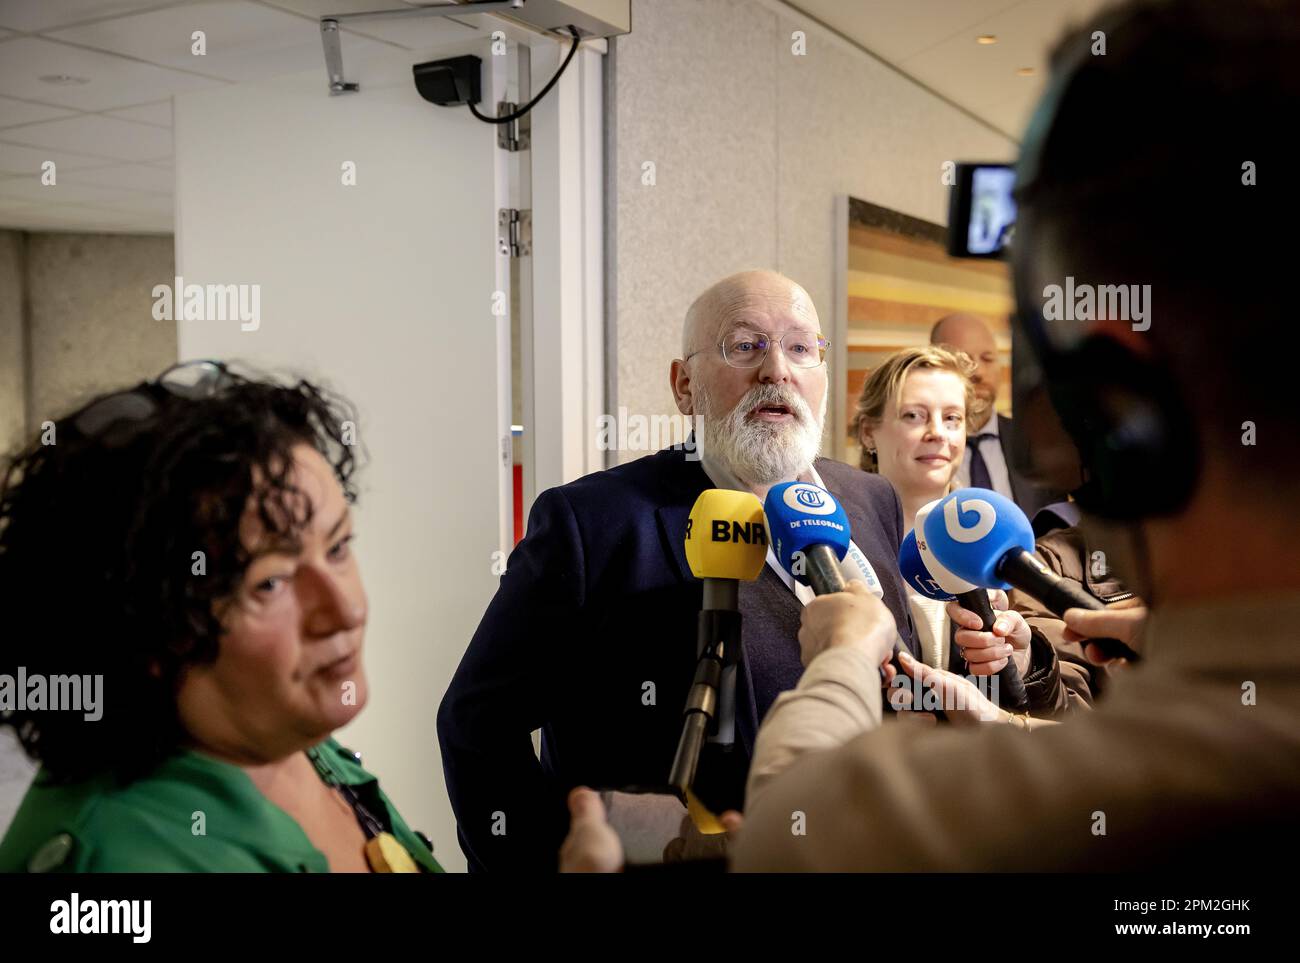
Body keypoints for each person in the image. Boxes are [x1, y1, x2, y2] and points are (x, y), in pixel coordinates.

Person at [438, 269, 917, 871]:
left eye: (800, 348)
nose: (777, 371)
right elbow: (477, 725)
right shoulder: (593, 524)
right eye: (745, 346)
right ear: (684, 385)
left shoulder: (871, 498)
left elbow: (906, 688)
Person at [0, 361, 441, 873]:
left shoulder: (295, 747)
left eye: (339, 547)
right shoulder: (121, 864)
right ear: (145, 628)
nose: (347, 609)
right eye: (270, 583)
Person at [854, 345, 1076, 716]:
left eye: (952, 418)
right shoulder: (840, 542)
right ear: (868, 432)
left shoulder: (995, 543)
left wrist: (1024, 667)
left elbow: (1050, 716)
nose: (938, 433)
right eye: (913, 416)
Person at [929, 312, 1065, 518]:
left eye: (988, 358)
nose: (978, 372)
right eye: (963, 360)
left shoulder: (1038, 443)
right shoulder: (922, 450)